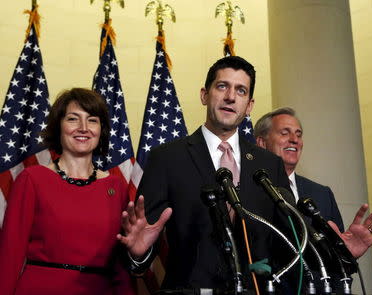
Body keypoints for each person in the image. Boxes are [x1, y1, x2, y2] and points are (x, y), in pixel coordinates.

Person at [118, 56, 291, 294]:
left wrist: (338, 254)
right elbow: (144, 238)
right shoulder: (167, 158)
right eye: (222, 86)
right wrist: (139, 254)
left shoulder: (270, 165)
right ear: (204, 95)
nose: (231, 96)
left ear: (249, 106)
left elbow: (288, 244)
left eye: (241, 91)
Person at [0, 88, 141, 295]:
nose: (83, 128)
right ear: (58, 127)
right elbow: (10, 255)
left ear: (101, 130)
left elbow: (119, 265)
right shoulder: (32, 179)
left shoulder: (115, 187)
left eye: (92, 120)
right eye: (73, 119)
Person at [254, 107, 372, 293]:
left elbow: (339, 267)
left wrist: (346, 254)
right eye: (284, 133)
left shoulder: (321, 193)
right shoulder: (248, 191)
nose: (294, 139)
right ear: (261, 142)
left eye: (298, 134)